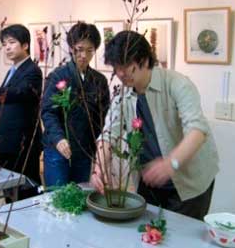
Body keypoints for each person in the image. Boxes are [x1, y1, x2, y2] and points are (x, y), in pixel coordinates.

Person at [91, 30, 219, 220]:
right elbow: (109, 133)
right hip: (151, 179)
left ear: (143, 60)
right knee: (148, 235)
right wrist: (99, 168)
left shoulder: (178, 84)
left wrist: (171, 162)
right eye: (116, 67)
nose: (120, 73)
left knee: (180, 240)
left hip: (189, 181)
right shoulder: (124, 95)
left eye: (126, 66)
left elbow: (197, 130)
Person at [0, 24, 43, 200]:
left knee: (25, 190)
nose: (7, 47)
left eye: (12, 42)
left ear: (25, 45)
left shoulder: (33, 70)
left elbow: (21, 94)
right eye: (5, 44)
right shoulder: (13, 70)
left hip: (23, 143)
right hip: (8, 142)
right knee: (9, 190)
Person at [41, 22, 110, 187]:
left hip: (84, 150)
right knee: (57, 198)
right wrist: (58, 138)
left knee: (79, 196)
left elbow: (103, 117)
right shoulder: (58, 76)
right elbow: (47, 112)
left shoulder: (99, 80)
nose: (84, 55)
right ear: (71, 48)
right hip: (58, 147)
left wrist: (99, 148)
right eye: (79, 49)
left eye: (90, 50)